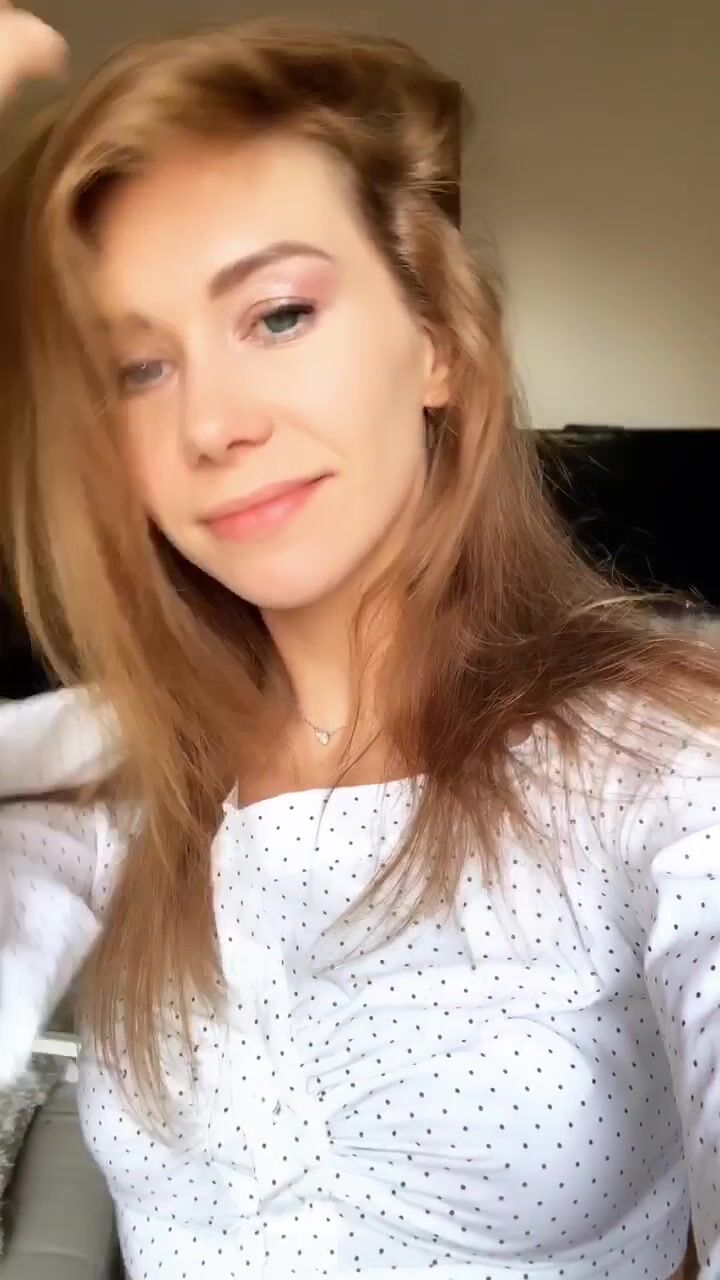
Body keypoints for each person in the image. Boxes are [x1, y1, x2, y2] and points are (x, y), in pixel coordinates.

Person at [0, 5, 718, 1278]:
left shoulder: (663, 754)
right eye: (136, 370)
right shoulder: (102, 776)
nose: (213, 424)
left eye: (278, 315)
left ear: (435, 341)